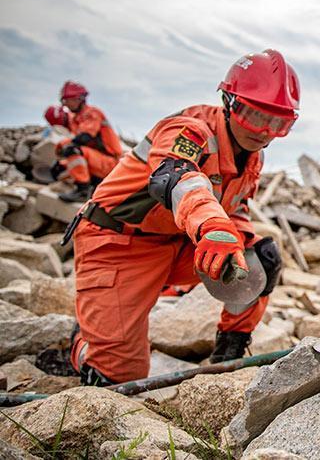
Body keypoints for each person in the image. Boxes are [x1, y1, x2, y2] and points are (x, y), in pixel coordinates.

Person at [64, 50, 299, 385]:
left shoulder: (252, 157)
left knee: (261, 259)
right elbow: (177, 178)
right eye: (253, 115)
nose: (264, 131)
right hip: (119, 242)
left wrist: (233, 232)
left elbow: (237, 208)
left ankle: (228, 355)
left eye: (279, 123)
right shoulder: (189, 131)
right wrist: (213, 227)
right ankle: (81, 343)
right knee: (117, 378)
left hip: (179, 242)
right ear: (228, 101)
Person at [45, 82, 124, 203]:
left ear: (79, 99)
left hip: (111, 162)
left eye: (67, 100)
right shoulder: (76, 118)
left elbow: (84, 137)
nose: (65, 104)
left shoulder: (92, 113)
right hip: (99, 161)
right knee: (62, 161)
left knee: (72, 150)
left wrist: (64, 146)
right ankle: (89, 186)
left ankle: (82, 190)